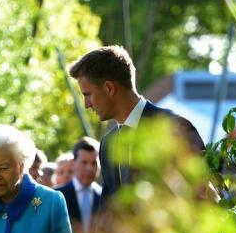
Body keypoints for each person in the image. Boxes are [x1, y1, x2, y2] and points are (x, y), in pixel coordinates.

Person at [68, 46, 205, 206]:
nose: (86, 104)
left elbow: (201, 197)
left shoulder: (174, 127)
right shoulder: (107, 144)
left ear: (109, 88)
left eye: (87, 94)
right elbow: (107, 212)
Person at [57, 137, 101, 233]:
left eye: (94, 163)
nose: (89, 168)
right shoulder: (57, 196)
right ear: (73, 163)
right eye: (84, 162)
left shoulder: (105, 197)